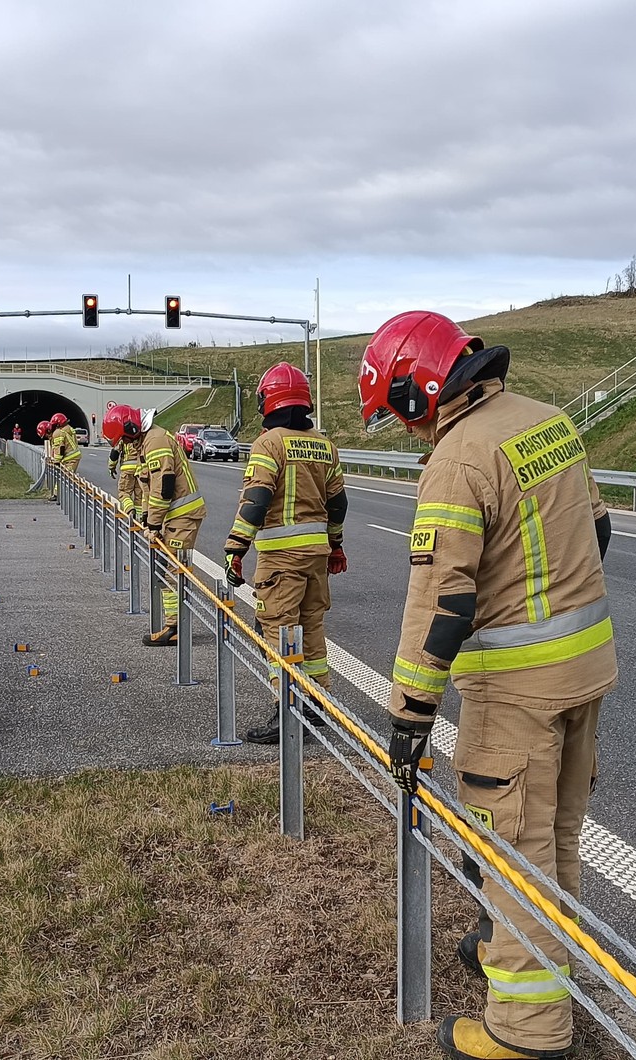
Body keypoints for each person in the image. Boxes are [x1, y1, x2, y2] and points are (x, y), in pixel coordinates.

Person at [362, 311, 616, 1060]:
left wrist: (409, 714)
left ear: (418, 391)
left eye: (398, 414)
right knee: (555, 839)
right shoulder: (547, 423)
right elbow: (596, 534)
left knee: (512, 855)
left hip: (516, 695)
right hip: (586, 672)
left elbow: (444, 600)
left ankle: (527, 1030)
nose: (407, 433)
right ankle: (545, 968)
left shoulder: (459, 456)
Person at [226, 363, 347, 744]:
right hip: (316, 556)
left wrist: (235, 548)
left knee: (277, 629)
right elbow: (338, 503)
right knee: (311, 630)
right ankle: (316, 703)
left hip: (280, 558)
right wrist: (336, 544)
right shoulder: (325, 445)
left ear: (267, 400)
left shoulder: (269, 443)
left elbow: (257, 498)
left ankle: (286, 711)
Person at [130, 405, 204, 645]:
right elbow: (148, 487)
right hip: (173, 517)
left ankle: (175, 629)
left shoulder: (156, 441)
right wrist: (146, 517)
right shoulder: (147, 441)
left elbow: (164, 487)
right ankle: (174, 625)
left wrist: (153, 523)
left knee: (172, 572)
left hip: (181, 515)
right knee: (167, 571)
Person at [104, 404, 145, 519]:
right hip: (141, 468)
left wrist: (111, 467)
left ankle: (130, 510)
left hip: (127, 468)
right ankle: (140, 518)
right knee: (139, 494)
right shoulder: (138, 432)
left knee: (124, 492)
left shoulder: (122, 435)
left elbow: (115, 453)